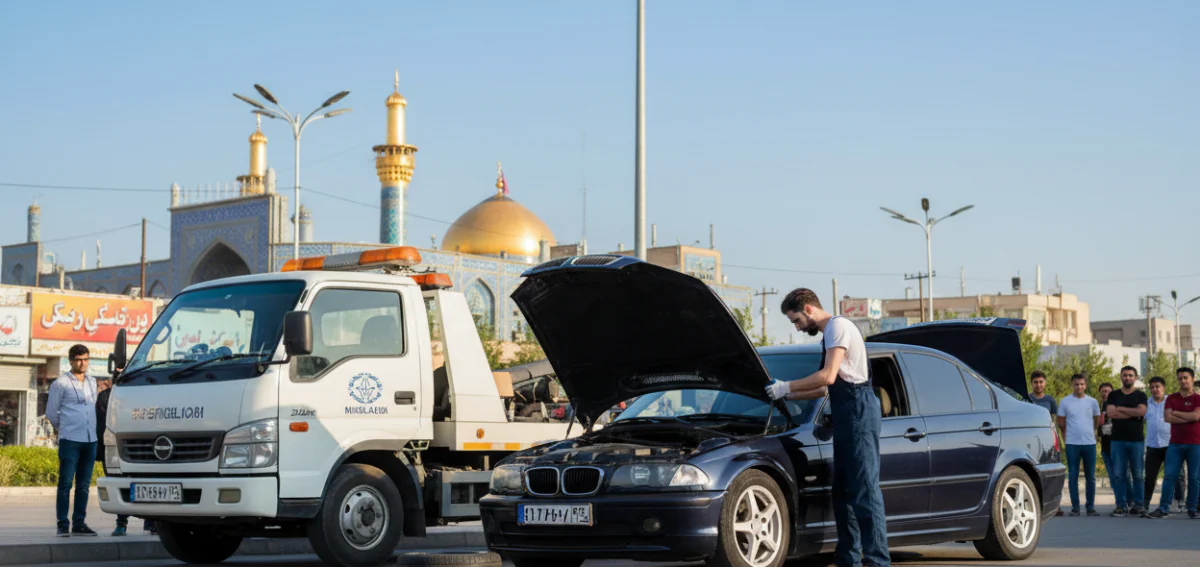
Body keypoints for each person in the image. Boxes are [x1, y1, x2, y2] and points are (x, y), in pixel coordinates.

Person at [766, 288, 888, 567]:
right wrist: (785, 395)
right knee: (843, 492)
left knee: (865, 491)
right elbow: (823, 389)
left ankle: (878, 562)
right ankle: (848, 560)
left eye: (795, 320)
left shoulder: (838, 326)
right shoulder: (829, 336)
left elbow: (828, 376)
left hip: (858, 410)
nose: (797, 328)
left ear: (808, 309)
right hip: (847, 413)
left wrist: (787, 385)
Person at [45, 344, 99, 537]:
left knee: (84, 485)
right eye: (78, 359)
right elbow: (51, 413)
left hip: (90, 439)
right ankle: (62, 523)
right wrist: (65, 427)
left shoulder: (93, 382)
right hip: (70, 439)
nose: (82, 363)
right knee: (65, 483)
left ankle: (79, 522)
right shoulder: (61, 383)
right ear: (70, 361)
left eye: (85, 359)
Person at [95, 377, 156, 536]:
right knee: (119, 484)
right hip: (116, 448)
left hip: (142, 448)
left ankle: (150, 521)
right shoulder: (105, 397)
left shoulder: (142, 395)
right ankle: (121, 522)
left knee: (148, 483)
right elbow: (102, 425)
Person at [1148, 367, 1200, 519]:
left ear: (1192, 379)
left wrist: (1177, 413)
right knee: (1170, 476)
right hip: (1175, 444)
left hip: (1195, 443)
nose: (1183, 381)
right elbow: (1168, 418)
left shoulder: (1198, 398)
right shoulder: (1172, 398)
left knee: (1194, 477)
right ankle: (1164, 508)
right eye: (1180, 378)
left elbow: (1197, 416)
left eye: (1185, 378)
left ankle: (1192, 508)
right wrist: (1188, 416)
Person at [1106, 365, 1148, 517]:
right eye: (1125, 375)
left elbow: (1142, 412)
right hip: (1117, 441)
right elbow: (1111, 413)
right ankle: (1121, 506)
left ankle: (1139, 505)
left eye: (1130, 375)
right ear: (1121, 377)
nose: (1127, 378)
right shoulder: (1113, 395)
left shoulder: (1141, 395)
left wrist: (1121, 409)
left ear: (1135, 377)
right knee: (1119, 475)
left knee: (1138, 474)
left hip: (1136, 441)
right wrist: (1133, 413)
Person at [1057, 374, 1101, 516]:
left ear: (1085, 385)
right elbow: (1061, 423)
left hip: (1089, 443)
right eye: (1077, 384)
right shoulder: (1065, 402)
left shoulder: (1092, 402)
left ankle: (1090, 507)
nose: (1079, 387)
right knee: (1073, 476)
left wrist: (1092, 432)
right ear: (1072, 385)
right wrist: (1066, 436)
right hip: (1072, 443)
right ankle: (1075, 507)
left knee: (1091, 477)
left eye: (1082, 384)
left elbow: (1097, 419)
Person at [1142, 376, 1183, 516]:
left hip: (1170, 443)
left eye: (1157, 386)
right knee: (1150, 476)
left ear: (1163, 388)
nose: (1155, 389)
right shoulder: (1146, 404)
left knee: (1175, 474)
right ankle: (1145, 503)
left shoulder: (1171, 401)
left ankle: (1177, 502)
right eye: (1152, 387)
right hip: (1153, 445)